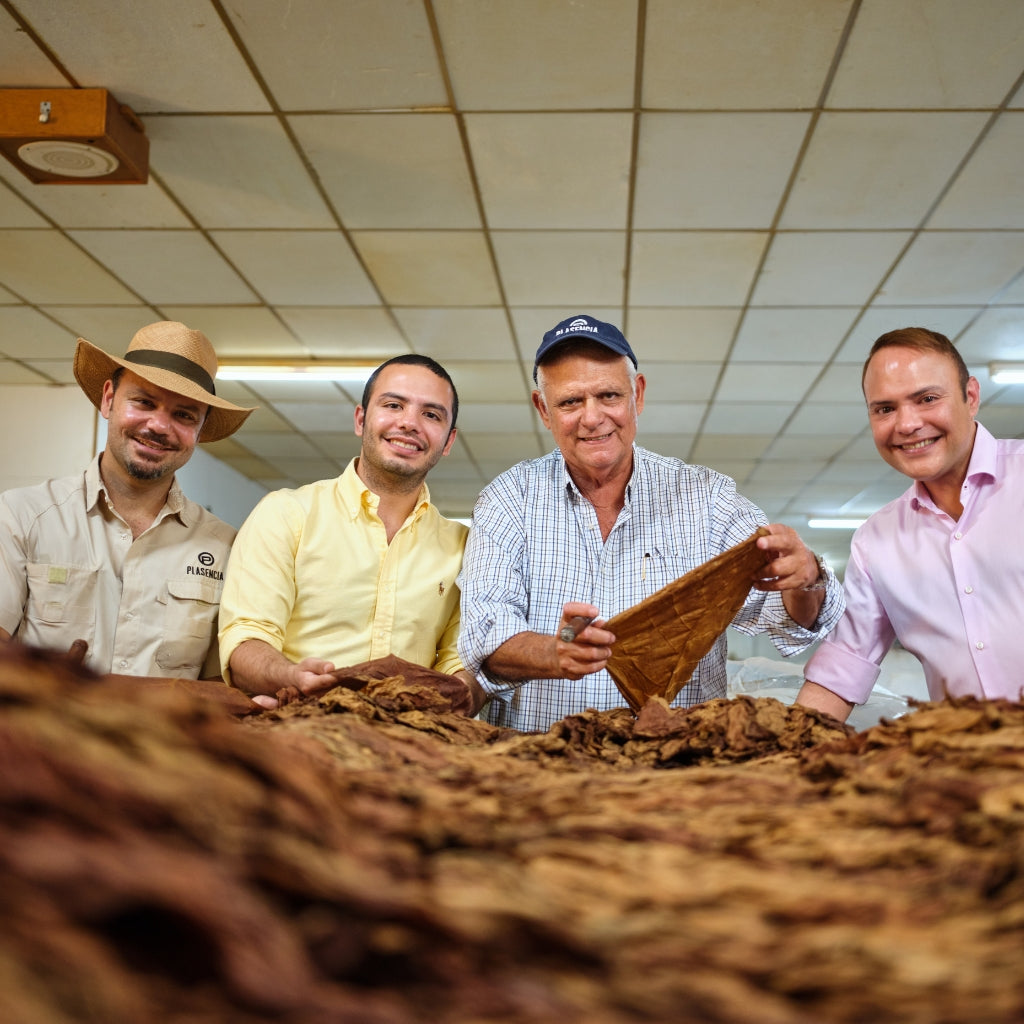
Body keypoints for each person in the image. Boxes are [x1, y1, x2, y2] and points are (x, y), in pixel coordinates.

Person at [457, 314, 845, 732]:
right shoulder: (508, 498)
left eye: (608, 395)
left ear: (637, 395)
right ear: (543, 410)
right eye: (570, 402)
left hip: (674, 767)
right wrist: (558, 651)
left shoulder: (707, 499)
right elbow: (486, 637)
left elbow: (791, 620)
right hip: (538, 766)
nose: (592, 417)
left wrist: (806, 579)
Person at [219, 354, 481, 711]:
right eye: (393, 404)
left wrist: (462, 690)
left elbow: (458, 661)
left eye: (431, 415)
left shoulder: (462, 545)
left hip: (409, 744)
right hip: (296, 731)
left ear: (448, 441)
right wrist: (290, 675)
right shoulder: (286, 513)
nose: (409, 423)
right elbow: (245, 640)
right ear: (361, 419)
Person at [0, 321, 254, 678]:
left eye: (183, 415)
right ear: (108, 399)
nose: (159, 426)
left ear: (200, 429)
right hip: (37, 732)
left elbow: (217, 684)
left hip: (163, 736)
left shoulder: (227, 547)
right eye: (144, 402)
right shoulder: (21, 516)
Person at [797, 327, 1024, 722]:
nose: (907, 424)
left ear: (971, 396)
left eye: (927, 399)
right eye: (885, 408)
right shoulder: (876, 541)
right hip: (972, 770)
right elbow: (842, 668)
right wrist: (776, 754)